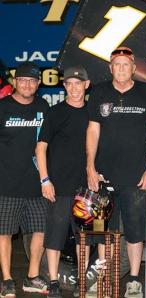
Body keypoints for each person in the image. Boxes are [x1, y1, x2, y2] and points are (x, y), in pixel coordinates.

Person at [86, 46, 146, 298]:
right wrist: (90, 167)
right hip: (103, 176)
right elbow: (93, 131)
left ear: (133, 68)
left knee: (134, 230)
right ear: (110, 68)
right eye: (116, 64)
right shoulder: (98, 92)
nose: (121, 69)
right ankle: (103, 279)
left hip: (136, 176)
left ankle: (133, 280)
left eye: (125, 64)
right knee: (102, 230)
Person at [35, 66, 102, 298]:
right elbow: (40, 148)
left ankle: (82, 282)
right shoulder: (54, 113)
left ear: (87, 84)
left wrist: (98, 172)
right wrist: (45, 180)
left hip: (86, 187)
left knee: (85, 237)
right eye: (69, 84)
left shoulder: (94, 113)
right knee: (54, 235)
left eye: (78, 83)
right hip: (59, 186)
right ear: (64, 86)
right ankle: (53, 281)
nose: (73, 88)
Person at [0, 62, 50, 296]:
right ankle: (7, 279)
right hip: (6, 183)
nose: (27, 84)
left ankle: (32, 276)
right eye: (22, 80)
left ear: (38, 84)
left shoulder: (43, 106)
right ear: (15, 82)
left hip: (36, 183)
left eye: (32, 81)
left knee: (40, 230)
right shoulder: (3, 108)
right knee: (4, 233)